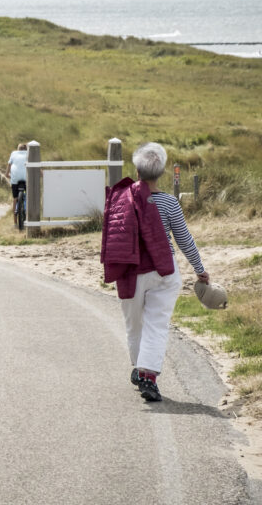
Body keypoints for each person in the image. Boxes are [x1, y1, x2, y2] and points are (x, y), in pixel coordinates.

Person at [101, 142, 210, 402]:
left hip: (131, 270)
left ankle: (140, 369)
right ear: (161, 173)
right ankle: (148, 375)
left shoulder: (120, 198)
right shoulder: (170, 202)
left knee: (134, 324)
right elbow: (184, 240)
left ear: (137, 172)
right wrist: (200, 269)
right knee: (157, 324)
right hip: (164, 270)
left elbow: (112, 237)